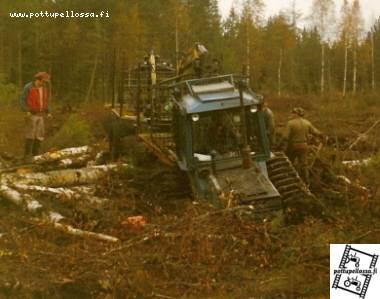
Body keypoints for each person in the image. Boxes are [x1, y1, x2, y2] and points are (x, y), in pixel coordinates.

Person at [285, 107, 324, 184]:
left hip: (293, 146)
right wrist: (322, 135)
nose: (292, 114)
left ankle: (289, 180)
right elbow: (316, 132)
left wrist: (282, 145)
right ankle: (307, 182)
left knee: (289, 163)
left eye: (293, 113)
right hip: (304, 146)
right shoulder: (307, 123)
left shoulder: (290, 123)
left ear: (296, 114)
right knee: (304, 165)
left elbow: (286, 136)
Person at [20, 72, 51, 159]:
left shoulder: (44, 89)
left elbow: (45, 101)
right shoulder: (28, 87)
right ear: (38, 79)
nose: (44, 83)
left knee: (39, 136)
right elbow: (22, 100)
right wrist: (26, 110)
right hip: (31, 114)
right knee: (30, 135)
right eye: (43, 81)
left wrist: (48, 112)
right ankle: (26, 156)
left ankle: (35, 156)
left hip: (40, 114)